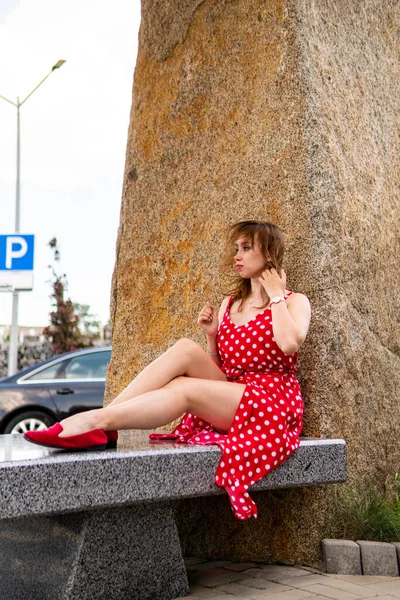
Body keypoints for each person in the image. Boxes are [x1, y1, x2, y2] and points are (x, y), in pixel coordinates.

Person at [24, 220, 311, 520]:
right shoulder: (230, 305)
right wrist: (212, 336)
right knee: (186, 347)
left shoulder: (294, 302)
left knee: (183, 389)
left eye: (247, 248)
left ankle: (96, 420)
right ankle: (105, 424)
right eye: (236, 248)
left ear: (269, 253)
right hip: (234, 394)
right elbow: (220, 373)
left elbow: (290, 343)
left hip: (272, 403)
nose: (237, 255)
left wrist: (276, 294)